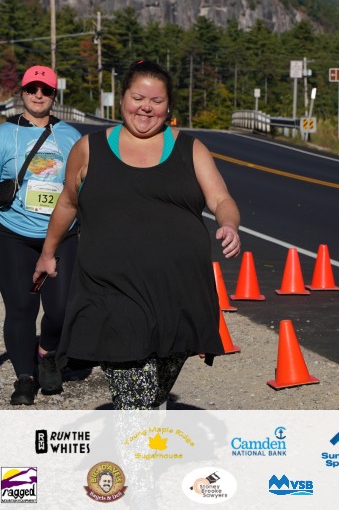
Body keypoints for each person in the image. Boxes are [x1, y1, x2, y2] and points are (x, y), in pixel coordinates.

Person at [34, 59, 242, 410]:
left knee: (155, 393)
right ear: (122, 100)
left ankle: (147, 438)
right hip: (112, 293)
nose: (146, 107)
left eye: (156, 101)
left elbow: (221, 199)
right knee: (136, 403)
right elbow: (67, 203)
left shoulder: (190, 149)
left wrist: (229, 224)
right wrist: (47, 253)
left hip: (179, 296)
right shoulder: (89, 148)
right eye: (138, 98)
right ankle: (137, 444)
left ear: (168, 107)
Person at [0, 65, 82, 406]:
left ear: (54, 95)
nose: (38, 95)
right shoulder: (3, 135)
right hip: (12, 233)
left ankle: (47, 353)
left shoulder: (71, 137)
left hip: (62, 236)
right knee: (22, 308)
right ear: (22, 93)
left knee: (61, 310)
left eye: (46, 90)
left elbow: (86, 186)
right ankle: (25, 377)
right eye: (32, 89)